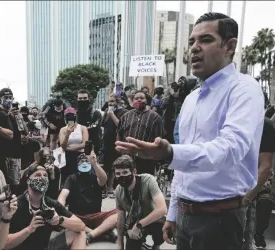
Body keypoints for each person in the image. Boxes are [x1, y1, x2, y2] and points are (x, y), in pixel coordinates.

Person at [115, 12, 265, 250]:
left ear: (230, 46)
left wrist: (170, 154)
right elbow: (183, 168)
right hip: (185, 219)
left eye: (205, 40)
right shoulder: (191, 99)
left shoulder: (244, 89)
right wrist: (174, 213)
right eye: (192, 42)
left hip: (220, 220)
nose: (194, 48)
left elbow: (231, 147)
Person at [4, 165, 86, 250]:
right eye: (38, 175)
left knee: (79, 233)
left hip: (45, 247)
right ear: (28, 181)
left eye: (45, 175)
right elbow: (3, 244)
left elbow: (81, 225)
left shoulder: (50, 203)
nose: (42, 178)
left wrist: (60, 220)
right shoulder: (15, 205)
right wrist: (29, 229)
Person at [58, 152, 118, 244]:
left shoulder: (96, 176)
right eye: (82, 161)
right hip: (77, 217)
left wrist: (94, 163)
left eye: (87, 161)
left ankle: (91, 234)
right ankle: (101, 233)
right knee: (65, 220)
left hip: (96, 216)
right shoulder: (71, 178)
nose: (85, 163)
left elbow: (103, 180)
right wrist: (60, 208)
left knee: (119, 214)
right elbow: (63, 195)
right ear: (78, 164)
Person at [113, 155, 167, 250]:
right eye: (118, 174)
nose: (121, 176)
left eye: (125, 172)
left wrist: (139, 225)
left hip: (153, 219)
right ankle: (140, 243)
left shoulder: (148, 180)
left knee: (161, 226)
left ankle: (156, 246)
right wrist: (120, 244)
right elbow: (121, 218)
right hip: (134, 220)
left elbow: (162, 209)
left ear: (134, 171)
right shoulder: (118, 190)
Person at [243, 117, 275, 250]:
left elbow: (268, 167)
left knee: (265, 200)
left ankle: (258, 235)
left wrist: (260, 185)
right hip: (238, 181)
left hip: (259, 181)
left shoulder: (267, 127)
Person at [117, 91, 163, 175]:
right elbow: (119, 135)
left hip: (146, 158)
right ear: (133, 101)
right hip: (127, 158)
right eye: (136, 98)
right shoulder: (125, 116)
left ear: (146, 101)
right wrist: (121, 152)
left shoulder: (155, 117)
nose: (139, 100)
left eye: (142, 98)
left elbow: (158, 139)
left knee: (144, 182)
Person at [0, 88, 27, 194]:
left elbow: (25, 131)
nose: (8, 100)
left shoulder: (16, 114)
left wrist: (20, 118)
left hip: (16, 152)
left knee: (16, 182)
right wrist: (8, 115)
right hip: (3, 153)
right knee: (4, 182)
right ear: (0, 99)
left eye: (10, 98)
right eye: (6, 98)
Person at [101, 93, 128, 198]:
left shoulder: (123, 112)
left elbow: (121, 126)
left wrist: (112, 115)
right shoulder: (106, 113)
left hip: (117, 143)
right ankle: (107, 188)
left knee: (117, 166)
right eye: (109, 102)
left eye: (112, 101)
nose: (110, 103)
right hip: (107, 143)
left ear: (118, 102)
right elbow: (103, 125)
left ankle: (117, 189)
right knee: (107, 167)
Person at [59, 107, 88, 183]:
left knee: (81, 176)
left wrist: (70, 149)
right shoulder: (63, 129)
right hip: (67, 156)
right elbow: (63, 145)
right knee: (68, 176)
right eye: (68, 116)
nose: (70, 118)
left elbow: (85, 143)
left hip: (80, 155)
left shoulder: (82, 128)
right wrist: (67, 134)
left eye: (72, 116)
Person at [76, 89, 103, 155]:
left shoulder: (95, 113)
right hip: (77, 145)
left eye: (85, 98)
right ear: (77, 99)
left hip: (93, 145)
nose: (82, 100)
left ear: (89, 99)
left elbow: (95, 126)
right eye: (80, 98)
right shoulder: (74, 113)